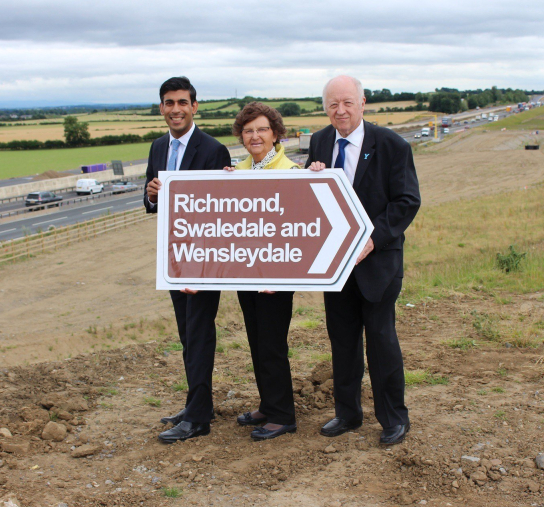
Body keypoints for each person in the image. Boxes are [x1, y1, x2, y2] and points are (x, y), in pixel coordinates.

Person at [306, 75, 421, 445]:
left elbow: (407, 201)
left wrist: (372, 239)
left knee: (381, 341)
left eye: (347, 103)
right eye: (333, 104)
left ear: (362, 103)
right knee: (342, 341)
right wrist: (310, 179)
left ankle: (394, 418)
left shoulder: (392, 145)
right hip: (336, 265)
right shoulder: (320, 141)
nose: (340, 111)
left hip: (378, 263)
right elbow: (313, 197)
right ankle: (348, 414)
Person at [144, 76, 231, 443]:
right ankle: (198, 404)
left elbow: (222, 210)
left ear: (194, 107)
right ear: (161, 108)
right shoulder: (157, 147)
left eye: (182, 102)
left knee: (199, 334)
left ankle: (197, 419)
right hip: (174, 258)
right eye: (169, 103)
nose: (175, 109)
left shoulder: (213, 150)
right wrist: (151, 195)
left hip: (203, 260)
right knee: (186, 334)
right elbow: (152, 201)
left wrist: (203, 265)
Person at [225, 102, 300, 441]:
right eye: (248, 130)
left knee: (272, 343)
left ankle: (283, 415)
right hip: (246, 271)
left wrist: (279, 273)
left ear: (275, 133)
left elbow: (297, 229)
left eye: (262, 129)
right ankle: (268, 404)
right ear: (241, 136)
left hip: (276, 276)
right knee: (257, 341)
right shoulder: (236, 171)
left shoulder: (292, 171)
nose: (255, 136)